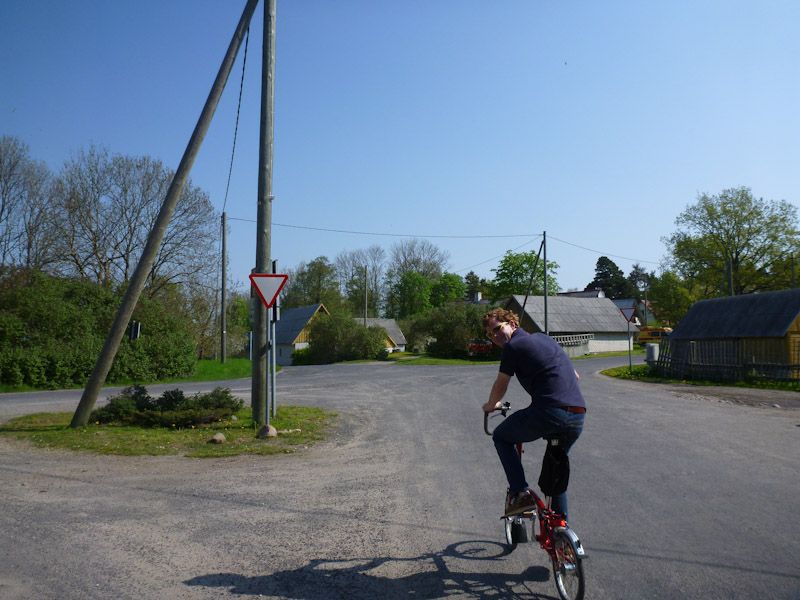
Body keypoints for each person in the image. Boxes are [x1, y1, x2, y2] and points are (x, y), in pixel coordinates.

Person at [482, 307, 586, 518]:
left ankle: (520, 493)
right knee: (554, 469)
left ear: (512, 324)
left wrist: (491, 404)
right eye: (490, 334)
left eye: (497, 329)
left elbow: (501, 384)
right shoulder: (545, 339)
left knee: (501, 436)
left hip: (550, 412)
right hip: (577, 414)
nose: (495, 336)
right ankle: (560, 531)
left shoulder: (513, 347)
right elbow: (574, 376)